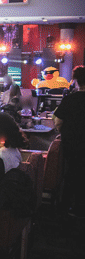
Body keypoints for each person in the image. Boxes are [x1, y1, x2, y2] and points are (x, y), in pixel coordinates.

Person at [54, 66, 85, 218]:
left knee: (70, 174)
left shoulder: (70, 99)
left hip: (72, 143)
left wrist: (64, 133)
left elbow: (58, 121)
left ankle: (65, 208)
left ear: (77, 81)